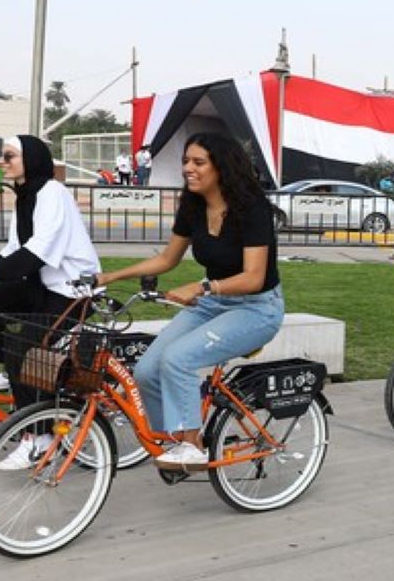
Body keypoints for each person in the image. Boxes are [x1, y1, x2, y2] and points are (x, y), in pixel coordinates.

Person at [93, 132, 284, 470]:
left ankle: (191, 445)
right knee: (148, 369)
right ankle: (171, 437)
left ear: (221, 167)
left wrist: (203, 288)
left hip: (256, 307)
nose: (188, 169)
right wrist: (109, 277)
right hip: (213, 304)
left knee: (178, 359)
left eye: (198, 162)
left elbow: (254, 277)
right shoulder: (193, 205)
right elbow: (167, 259)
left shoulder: (251, 208)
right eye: (185, 162)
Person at [0, 135, 102, 469]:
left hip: (71, 291)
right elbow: (12, 250)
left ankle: (40, 438)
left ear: (31, 158)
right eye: (1, 156)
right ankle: (13, 370)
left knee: (23, 347)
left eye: (9, 156)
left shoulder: (52, 192)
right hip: (40, 284)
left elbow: (38, 251)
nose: (2, 162)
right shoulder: (24, 195)